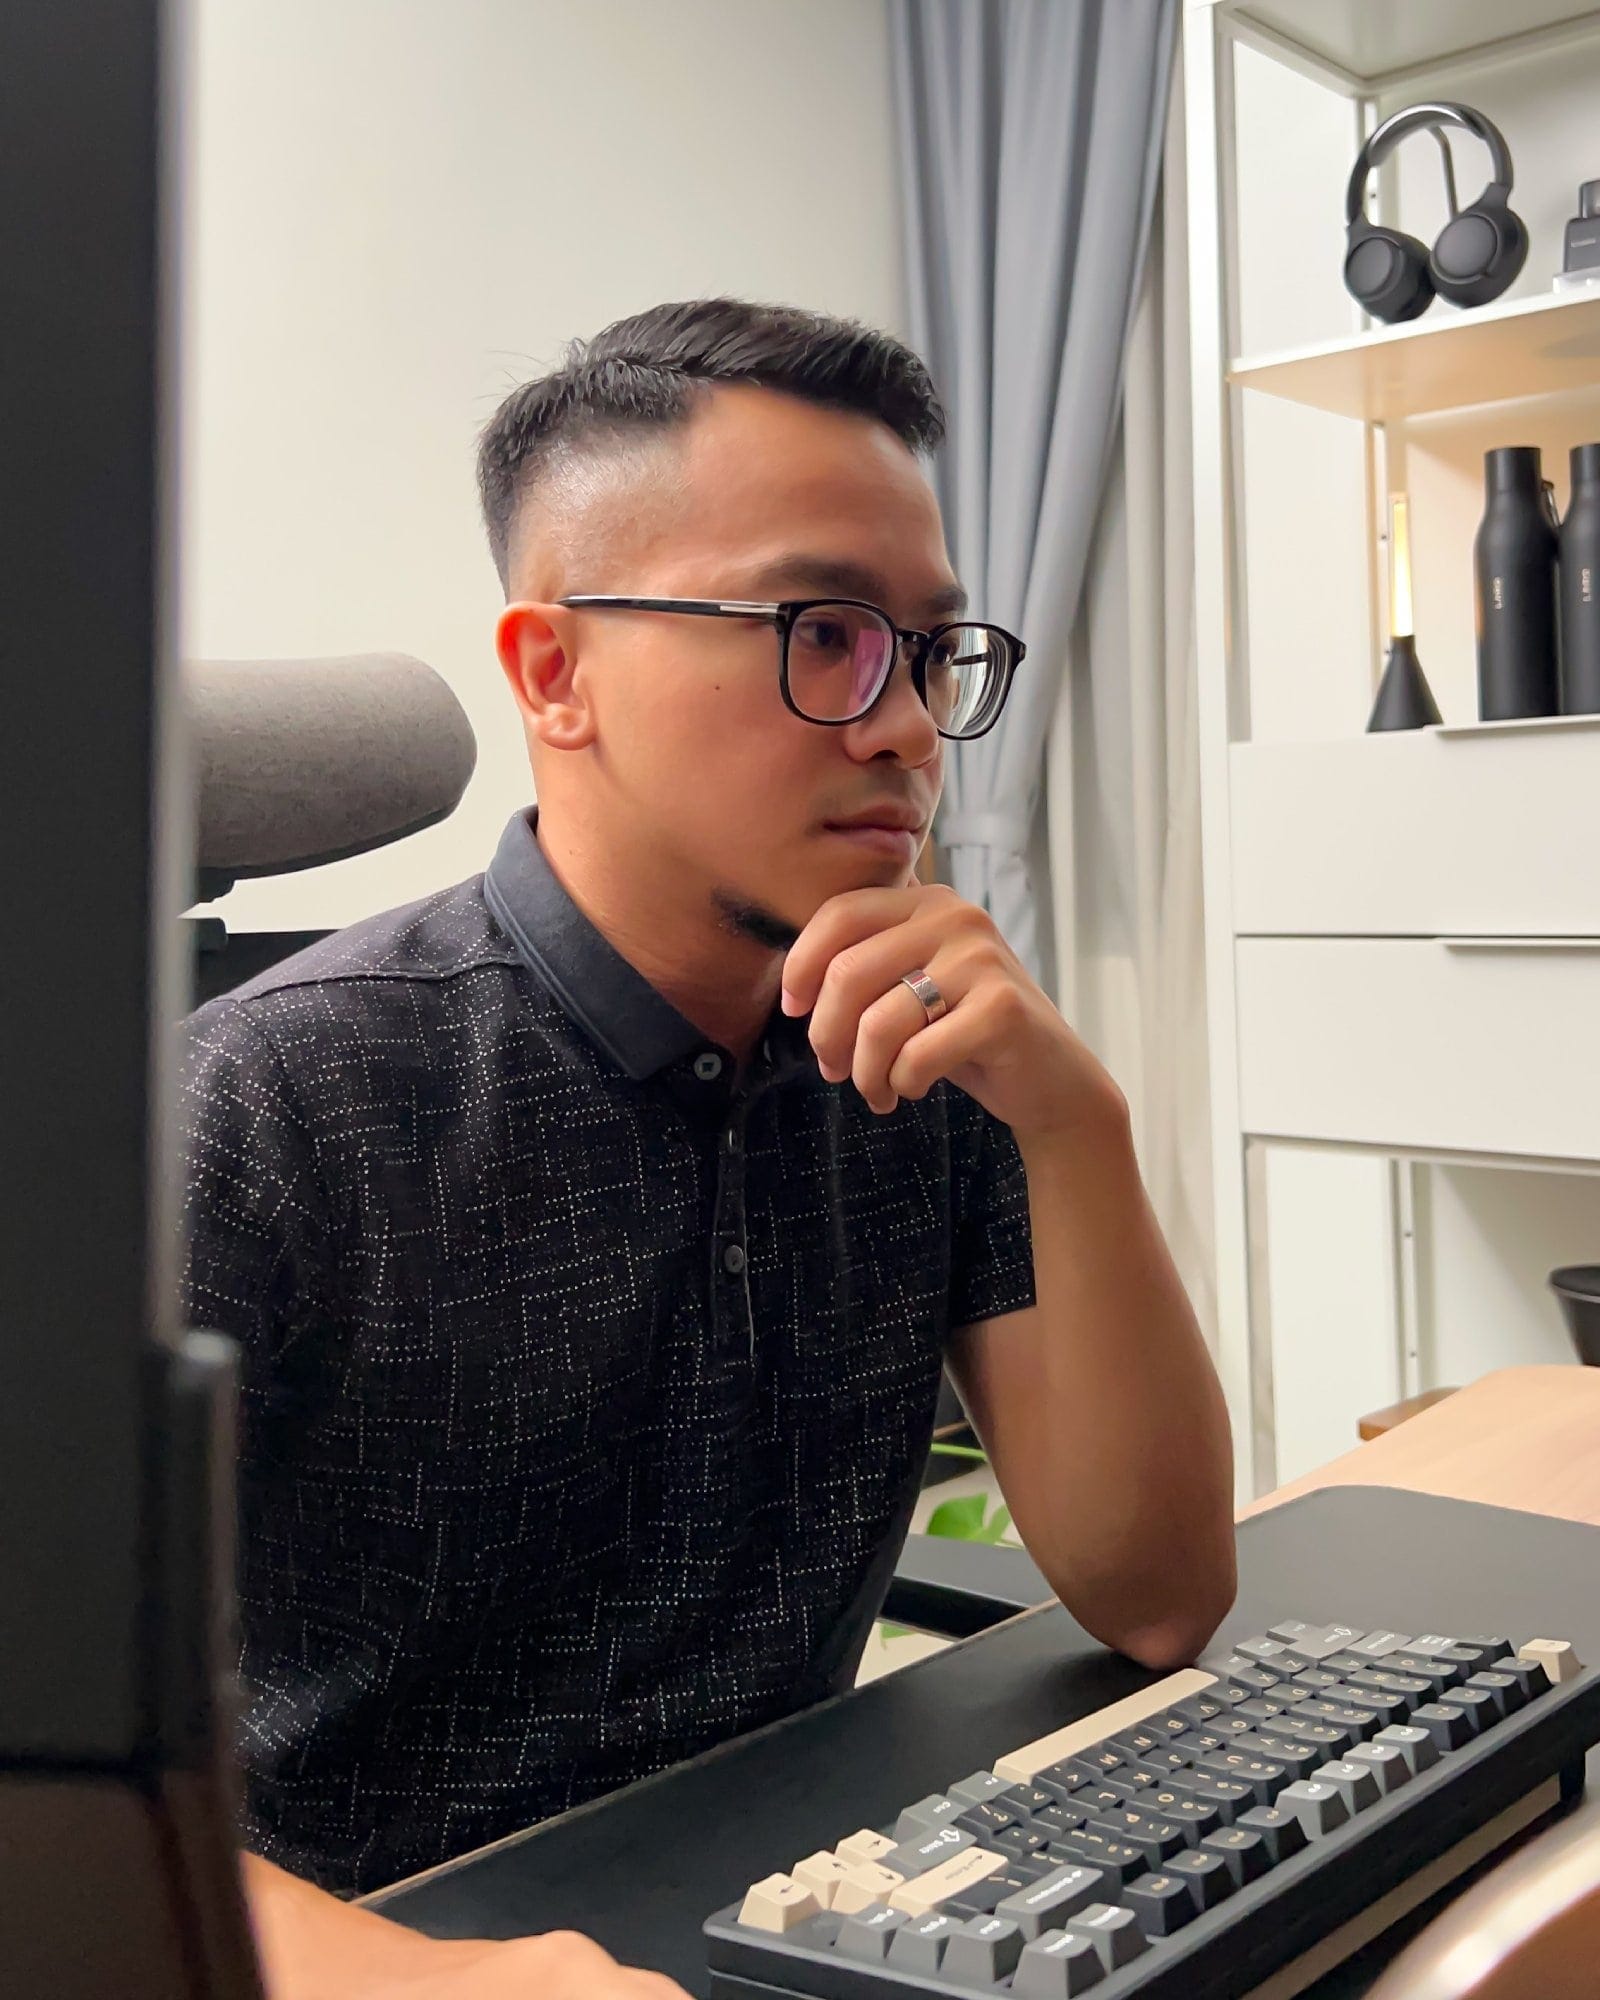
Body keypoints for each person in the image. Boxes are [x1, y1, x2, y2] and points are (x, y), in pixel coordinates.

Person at [179, 298, 1236, 1999]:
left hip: (821, 1913)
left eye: (930, 649)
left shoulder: (927, 1060)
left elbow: (1162, 1597)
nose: (904, 726)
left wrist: (1078, 1124)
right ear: (557, 673)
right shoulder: (273, 1108)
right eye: (823, 631)